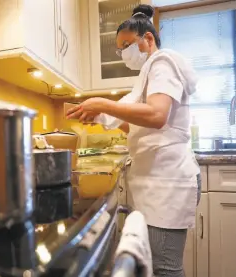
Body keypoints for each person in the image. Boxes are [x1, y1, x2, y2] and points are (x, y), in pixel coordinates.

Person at [67, 4, 201, 277]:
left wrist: (102, 103)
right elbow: (136, 125)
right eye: (120, 48)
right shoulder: (147, 74)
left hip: (167, 183)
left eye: (126, 44)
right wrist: (99, 115)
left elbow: (156, 115)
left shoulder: (163, 63)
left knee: (166, 268)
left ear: (148, 39)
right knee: (160, 265)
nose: (123, 53)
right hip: (157, 182)